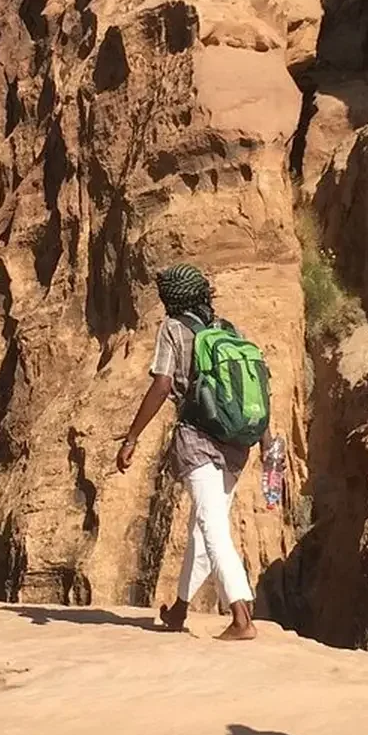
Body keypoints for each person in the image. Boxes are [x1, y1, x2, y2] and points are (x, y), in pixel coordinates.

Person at [114, 264, 257, 641]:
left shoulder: (173, 329)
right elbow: (252, 383)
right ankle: (178, 611)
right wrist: (266, 436)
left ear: (171, 298)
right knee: (203, 525)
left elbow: (162, 385)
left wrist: (131, 438)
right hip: (237, 441)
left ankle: (242, 616)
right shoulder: (227, 329)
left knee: (212, 526)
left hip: (198, 439)